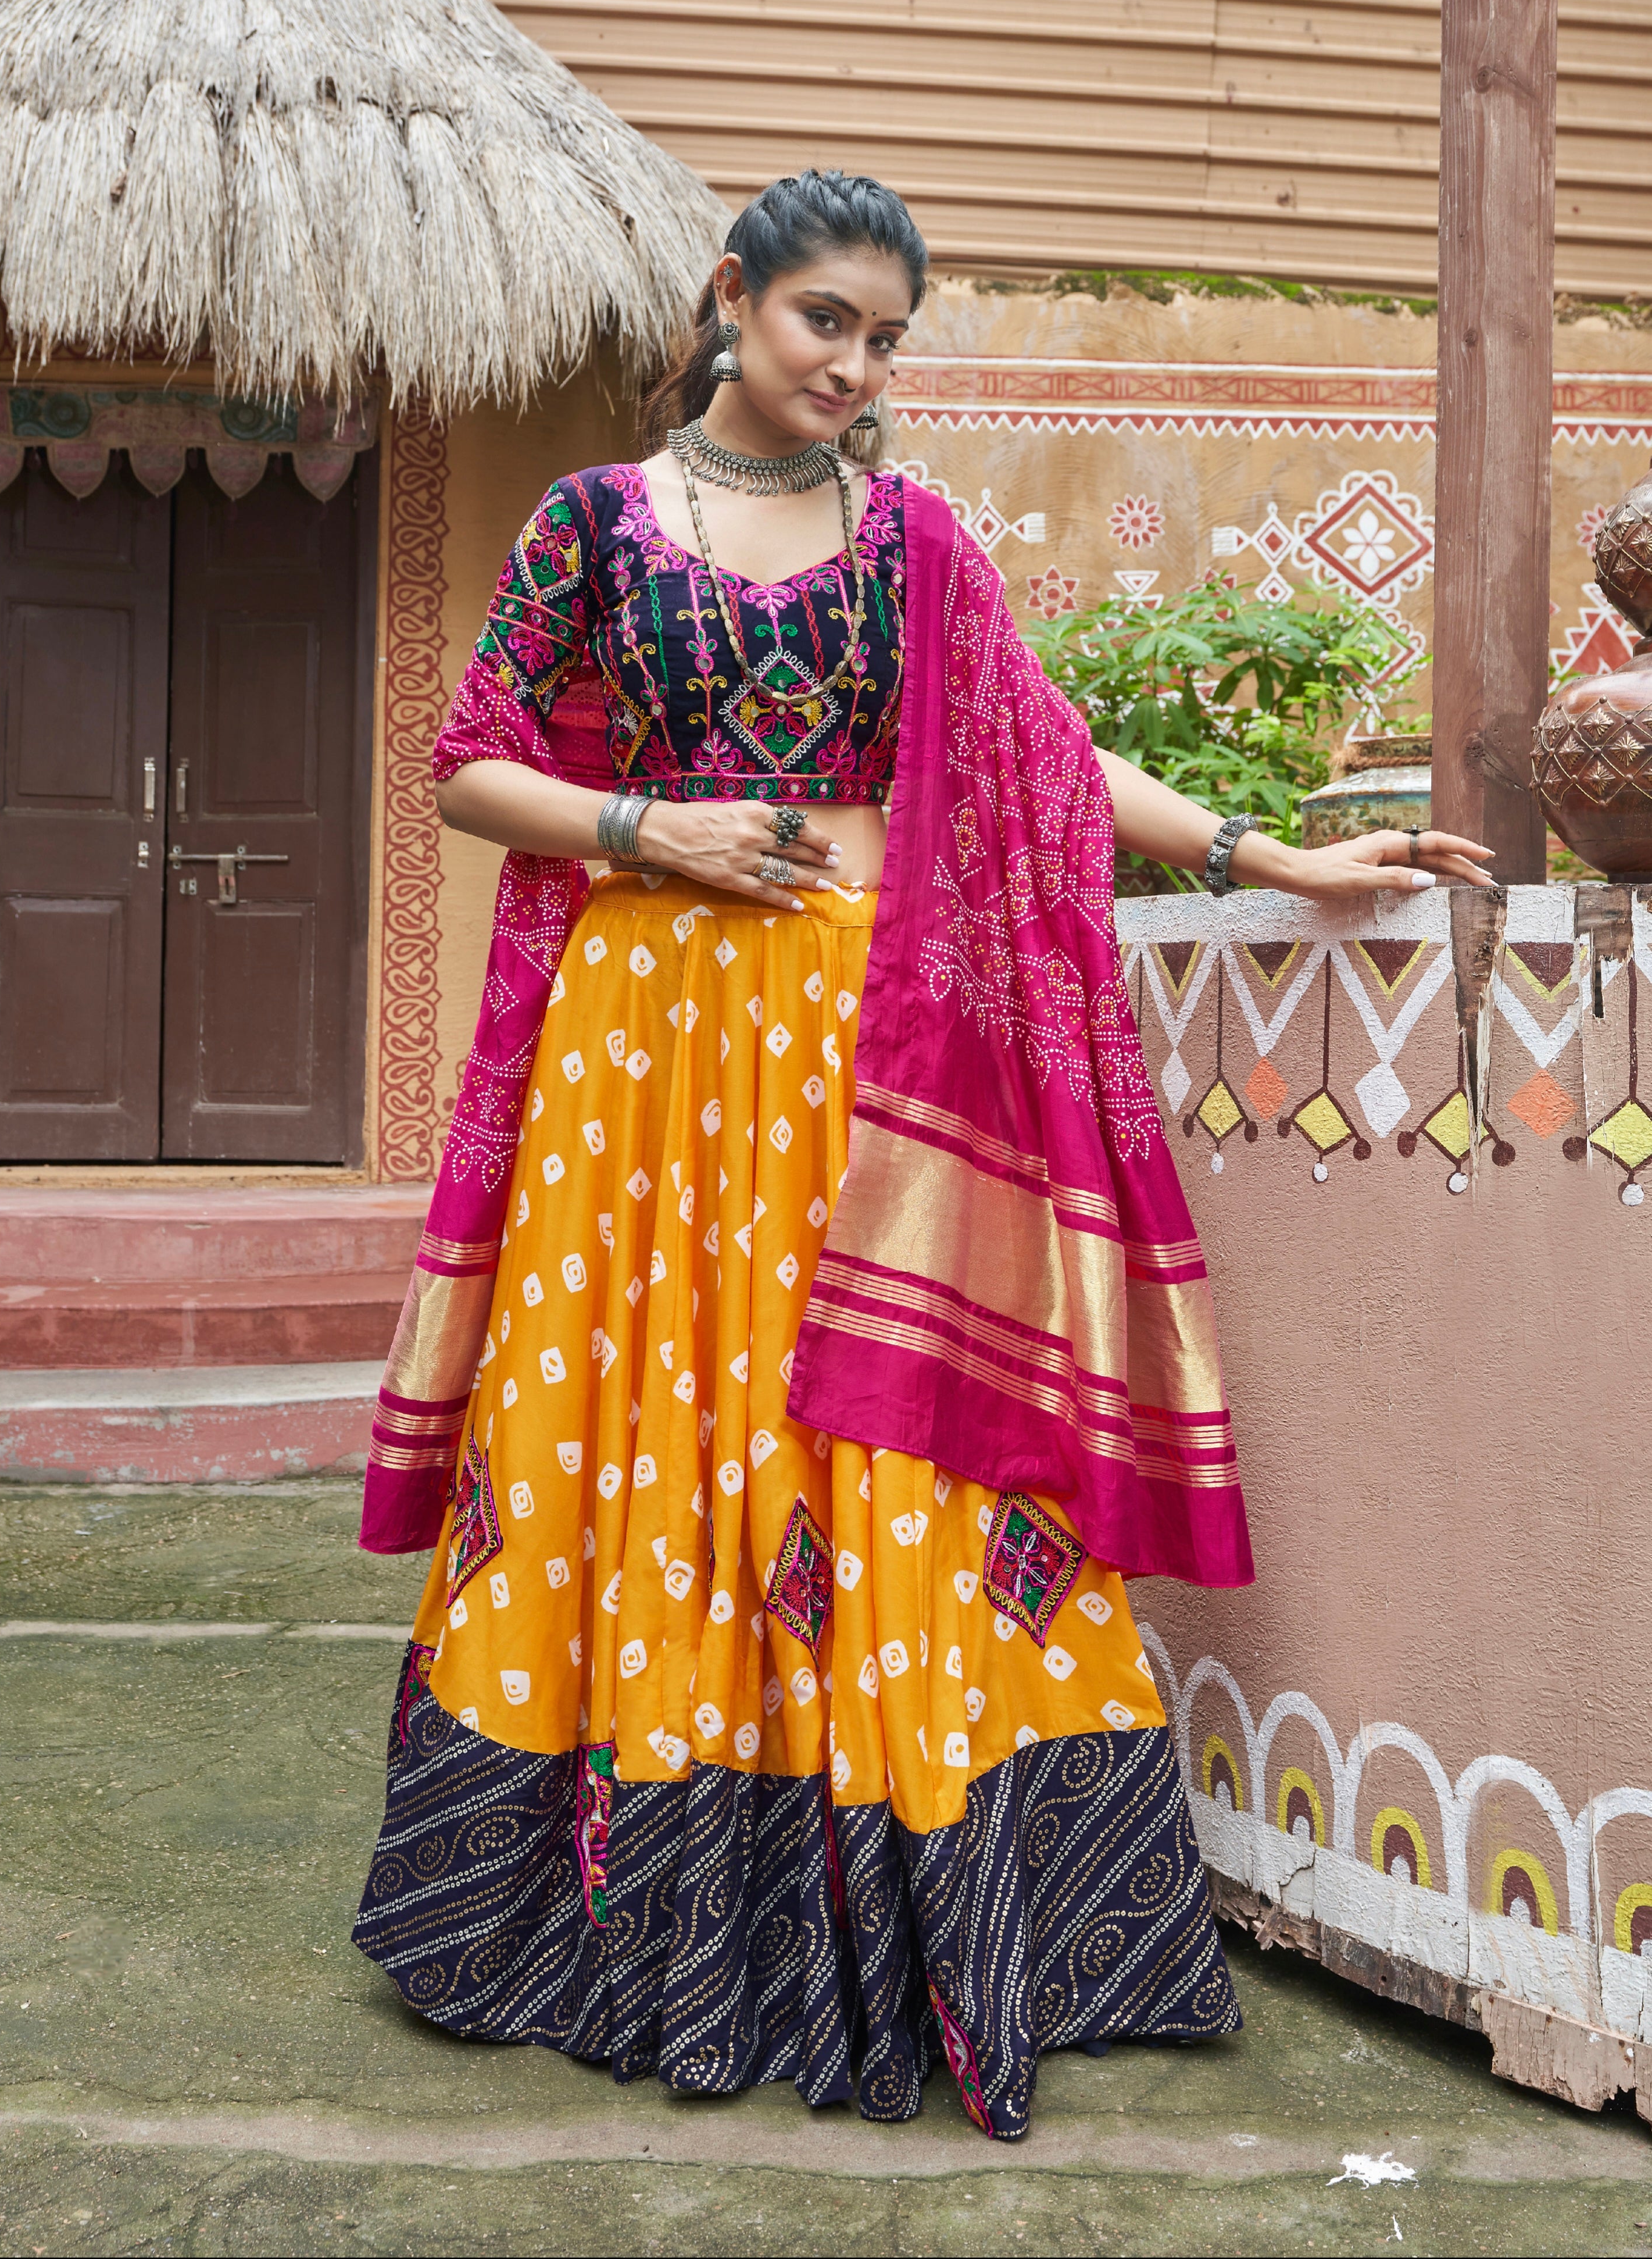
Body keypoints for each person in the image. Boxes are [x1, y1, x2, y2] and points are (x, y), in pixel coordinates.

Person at [352, 169, 1494, 2138]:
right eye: (824, 324)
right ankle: (621, 1908)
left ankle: (936, 1891)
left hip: (867, 1061)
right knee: (656, 1421)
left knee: (884, 1445)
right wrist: (649, 831)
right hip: (645, 1067)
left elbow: (1046, 756)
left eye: (884, 336)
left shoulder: (914, 541)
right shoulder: (597, 524)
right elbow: (467, 760)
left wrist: (1274, 855)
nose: (853, 367)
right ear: (735, 299)